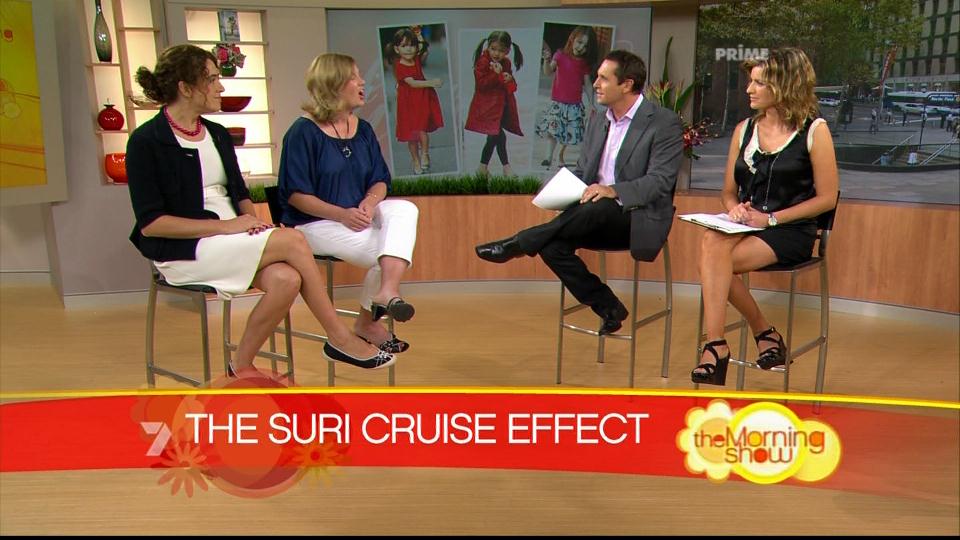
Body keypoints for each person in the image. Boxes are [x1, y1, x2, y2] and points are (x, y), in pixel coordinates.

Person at [126, 45, 394, 374]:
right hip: (183, 249)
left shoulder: (216, 134)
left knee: (287, 279)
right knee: (293, 240)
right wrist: (227, 227)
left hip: (231, 239)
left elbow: (239, 193)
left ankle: (240, 366)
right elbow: (152, 224)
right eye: (212, 79)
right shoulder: (146, 141)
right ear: (185, 88)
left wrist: (251, 222)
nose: (221, 87)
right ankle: (339, 337)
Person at [475, 50, 683, 335]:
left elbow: (660, 181)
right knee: (551, 246)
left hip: (637, 218)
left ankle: (519, 243)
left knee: (599, 205)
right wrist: (556, 187)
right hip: (592, 215)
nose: (595, 84)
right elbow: (585, 171)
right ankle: (608, 306)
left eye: (603, 78)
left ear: (627, 84)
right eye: (596, 77)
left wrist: (612, 190)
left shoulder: (663, 122)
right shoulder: (598, 120)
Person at [691, 47, 839, 386]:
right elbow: (728, 191)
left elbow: (827, 198)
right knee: (712, 241)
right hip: (746, 225)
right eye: (751, 81)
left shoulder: (814, 130)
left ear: (784, 85)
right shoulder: (744, 129)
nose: (749, 89)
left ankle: (732, 343)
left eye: (759, 83)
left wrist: (770, 219)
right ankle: (729, 341)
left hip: (790, 230)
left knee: (712, 261)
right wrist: (734, 208)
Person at [278, 53, 419, 355]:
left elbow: (380, 179)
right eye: (354, 77)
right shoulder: (302, 133)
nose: (362, 82)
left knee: (405, 209)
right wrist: (341, 214)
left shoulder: (363, 129)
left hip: (358, 214)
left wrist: (370, 201)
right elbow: (295, 194)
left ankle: (387, 292)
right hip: (313, 223)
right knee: (388, 252)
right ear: (333, 84)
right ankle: (368, 322)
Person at [535, 26, 598, 169]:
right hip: (557, 102)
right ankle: (548, 156)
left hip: (574, 104)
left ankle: (560, 155)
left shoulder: (583, 63)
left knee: (568, 133)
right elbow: (548, 72)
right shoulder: (560, 55)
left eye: (585, 46)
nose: (581, 48)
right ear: (572, 39)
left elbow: (588, 84)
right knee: (553, 130)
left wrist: (591, 103)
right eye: (579, 42)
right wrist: (546, 60)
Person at [383, 27, 444, 175]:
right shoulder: (399, 65)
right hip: (408, 102)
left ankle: (425, 154)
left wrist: (418, 34)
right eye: (404, 46)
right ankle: (415, 160)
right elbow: (412, 83)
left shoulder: (416, 59)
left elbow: (424, 48)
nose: (409, 49)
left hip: (422, 99)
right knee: (412, 135)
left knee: (422, 130)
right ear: (397, 49)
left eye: (412, 45)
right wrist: (431, 82)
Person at [465, 31, 524, 177]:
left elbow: (511, 88)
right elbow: (481, 85)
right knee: (498, 135)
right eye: (493, 49)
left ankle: (482, 168)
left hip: (501, 107)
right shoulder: (483, 62)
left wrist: (509, 79)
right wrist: (496, 75)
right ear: (488, 46)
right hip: (487, 108)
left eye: (501, 50)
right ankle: (506, 168)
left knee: (493, 137)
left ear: (508, 51)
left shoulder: (506, 63)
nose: (496, 53)